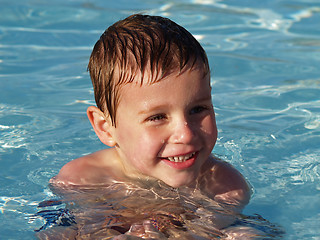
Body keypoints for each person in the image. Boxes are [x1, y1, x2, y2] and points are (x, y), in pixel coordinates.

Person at [49, 14, 251, 238]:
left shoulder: (223, 187)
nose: (185, 134)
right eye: (157, 117)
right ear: (105, 127)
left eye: (197, 109)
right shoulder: (81, 180)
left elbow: (199, 234)